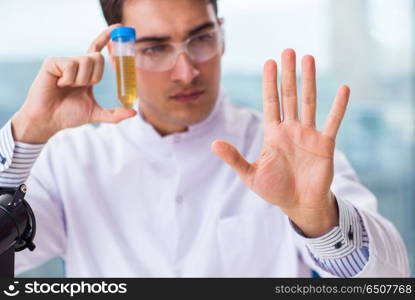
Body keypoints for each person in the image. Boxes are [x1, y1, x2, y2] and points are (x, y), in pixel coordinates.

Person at [0, 0, 409, 277]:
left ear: (222, 34)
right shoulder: (73, 159)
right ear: (118, 54)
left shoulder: (291, 151)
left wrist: (319, 220)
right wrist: (26, 136)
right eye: (155, 47)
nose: (186, 71)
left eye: (201, 39)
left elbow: (389, 278)